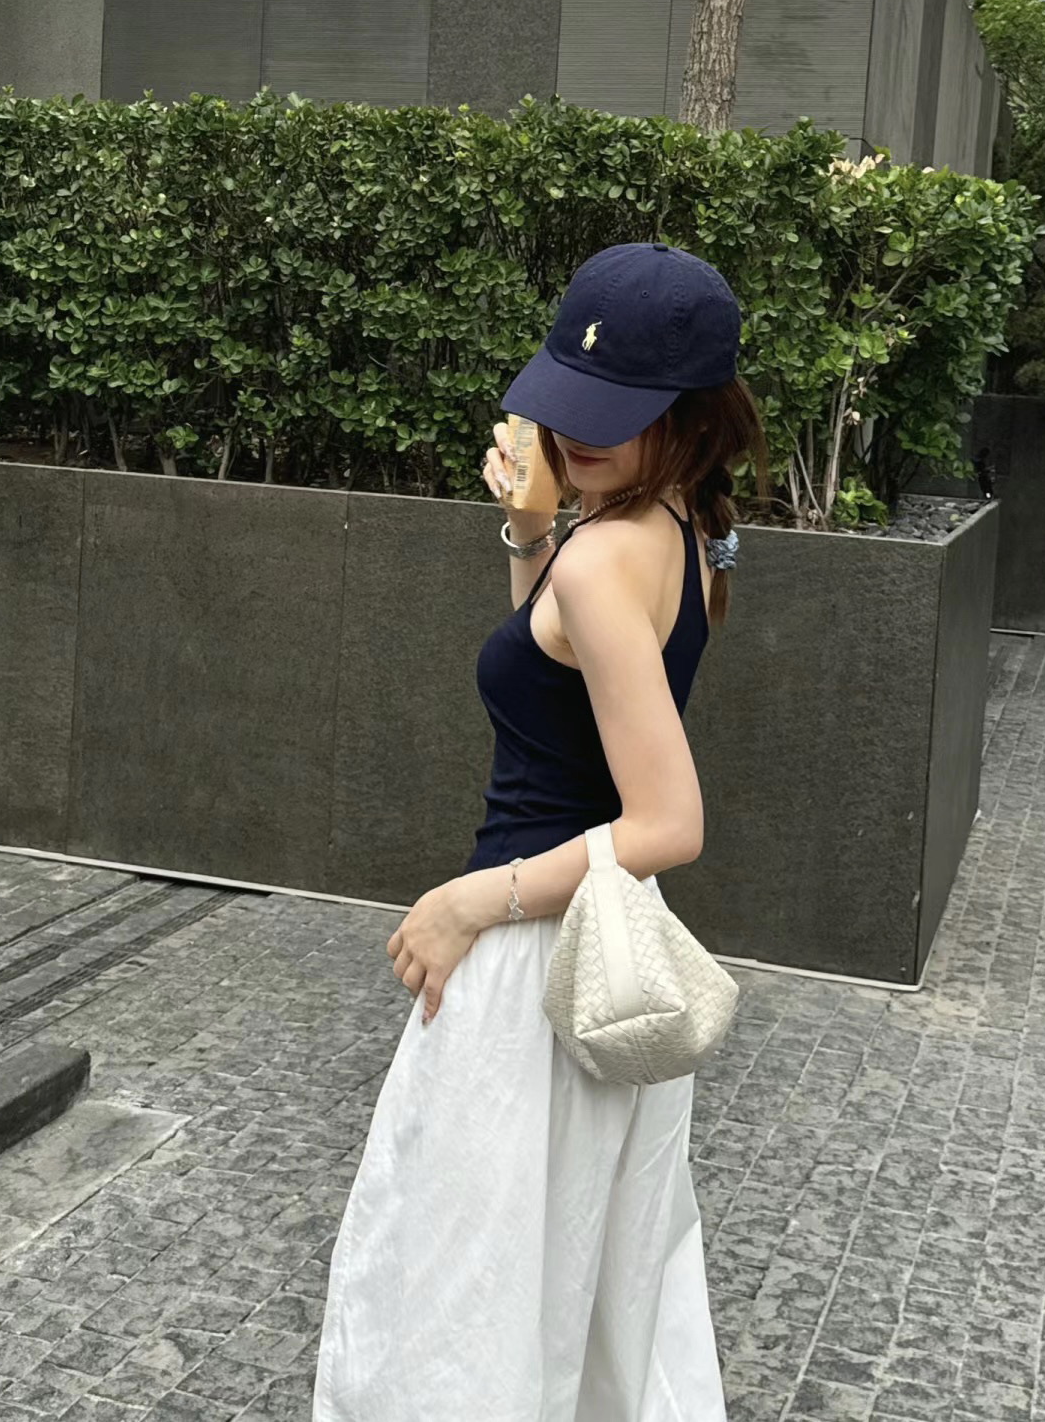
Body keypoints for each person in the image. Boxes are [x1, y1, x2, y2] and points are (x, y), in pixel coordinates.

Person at [312, 242, 767, 1422]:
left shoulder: (607, 556)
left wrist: (470, 902)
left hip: (536, 963)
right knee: (589, 1287)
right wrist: (532, 532)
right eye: (573, 400)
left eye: (618, 410)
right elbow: (564, 704)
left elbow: (668, 819)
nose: (579, 432)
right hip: (600, 945)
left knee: (465, 1290)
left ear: (694, 412)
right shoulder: (679, 530)